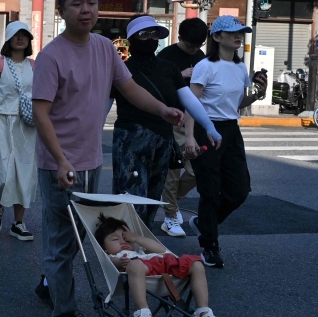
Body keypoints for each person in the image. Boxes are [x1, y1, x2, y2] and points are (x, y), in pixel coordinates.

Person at [32, 0, 184, 317]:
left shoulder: (104, 48)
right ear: (61, 10)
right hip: (59, 165)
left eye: (91, 3)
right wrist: (61, 159)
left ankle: (50, 279)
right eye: (77, 4)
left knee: (82, 235)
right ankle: (66, 316)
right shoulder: (52, 56)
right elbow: (41, 114)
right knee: (62, 241)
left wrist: (162, 108)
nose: (86, 10)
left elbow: (130, 88)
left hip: (91, 160)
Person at [111, 16, 220, 228]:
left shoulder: (168, 68)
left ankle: (143, 248)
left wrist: (209, 127)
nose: (150, 38)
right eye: (144, 34)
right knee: (131, 199)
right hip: (129, 141)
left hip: (162, 140)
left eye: (154, 34)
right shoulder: (121, 70)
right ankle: (124, 249)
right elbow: (102, 106)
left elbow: (189, 99)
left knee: (152, 200)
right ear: (131, 39)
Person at [187, 15, 267, 268]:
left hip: (231, 130)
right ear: (217, 37)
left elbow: (238, 103)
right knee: (209, 191)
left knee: (240, 190)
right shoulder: (205, 66)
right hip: (206, 128)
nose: (238, 36)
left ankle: (204, 222)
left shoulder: (240, 67)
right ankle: (210, 246)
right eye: (232, 32)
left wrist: (256, 95)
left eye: (241, 32)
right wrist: (189, 136)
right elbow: (192, 103)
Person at [95, 213, 223, 317]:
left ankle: (203, 310)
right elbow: (111, 263)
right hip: (141, 270)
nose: (123, 241)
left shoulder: (140, 251)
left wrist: (136, 238)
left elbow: (162, 250)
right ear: (105, 248)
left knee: (196, 264)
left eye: (125, 238)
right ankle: (144, 312)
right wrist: (119, 262)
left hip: (163, 266)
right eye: (115, 239)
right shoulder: (115, 257)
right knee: (135, 264)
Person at [0, 22, 37, 240]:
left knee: (24, 172)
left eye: (25, 35)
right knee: (4, 171)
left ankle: (18, 223)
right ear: (9, 39)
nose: (20, 39)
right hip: (2, 121)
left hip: (27, 124)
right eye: (16, 35)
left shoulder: (34, 66)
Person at [156, 17, 209, 236]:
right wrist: (181, 75)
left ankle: (171, 202)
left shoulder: (201, 56)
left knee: (195, 170)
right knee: (174, 170)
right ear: (180, 38)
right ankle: (169, 217)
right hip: (172, 119)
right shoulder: (166, 56)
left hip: (194, 120)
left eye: (198, 46)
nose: (194, 49)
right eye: (190, 45)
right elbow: (155, 86)